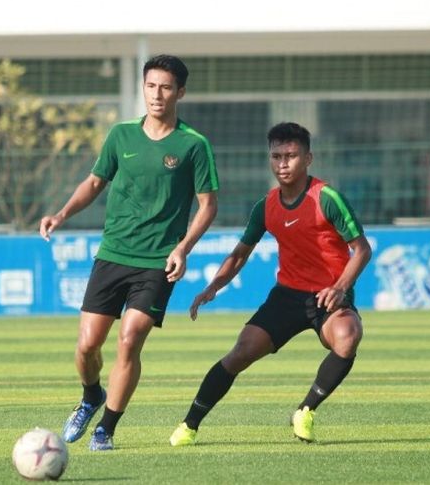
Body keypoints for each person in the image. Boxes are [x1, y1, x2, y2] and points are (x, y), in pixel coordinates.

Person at [39, 54, 219, 451]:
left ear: (180, 92)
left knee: (129, 338)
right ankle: (90, 396)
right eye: (151, 85)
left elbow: (208, 206)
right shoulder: (121, 135)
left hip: (157, 261)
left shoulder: (193, 144)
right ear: (143, 87)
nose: (157, 94)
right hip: (113, 253)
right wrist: (62, 214)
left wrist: (183, 248)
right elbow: (94, 181)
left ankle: (107, 428)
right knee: (87, 345)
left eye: (166, 87)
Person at [169, 122, 371, 446]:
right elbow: (238, 255)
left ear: (308, 159)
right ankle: (189, 425)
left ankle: (305, 410)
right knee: (240, 353)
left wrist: (340, 287)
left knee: (348, 337)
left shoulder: (327, 198)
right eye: (276, 156)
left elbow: (362, 249)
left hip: (328, 295)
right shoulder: (267, 206)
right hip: (287, 296)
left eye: (291, 156)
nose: (283, 164)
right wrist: (212, 287)